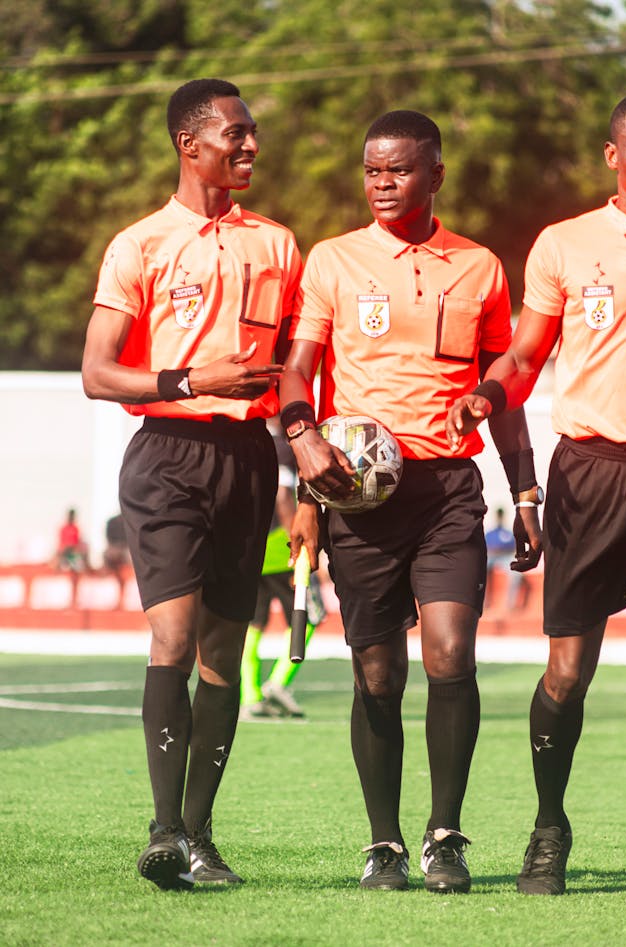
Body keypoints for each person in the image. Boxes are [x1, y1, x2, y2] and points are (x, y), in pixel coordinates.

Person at [447, 89, 626, 907]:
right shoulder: (563, 245)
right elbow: (526, 351)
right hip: (588, 475)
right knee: (569, 668)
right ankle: (549, 825)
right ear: (612, 155)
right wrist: (490, 391)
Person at [280, 110, 543, 893]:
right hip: (355, 496)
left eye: (398, 170)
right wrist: (302, 450)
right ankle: (384, 842)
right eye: (371, 171)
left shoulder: (481, 266)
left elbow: (508, 387)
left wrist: (525, 489)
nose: (382, 183)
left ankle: (445, 835)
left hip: (449, 490)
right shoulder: (333, 260)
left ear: (435, 173)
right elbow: (297, 372)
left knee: (451, 653)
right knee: (377, 675)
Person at [81, 78, 302, 891]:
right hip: (165, 452)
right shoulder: (138, 243)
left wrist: (304, 480)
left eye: (251, 135)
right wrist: (187, 379)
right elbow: (97, 372)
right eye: (235, 134)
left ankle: (202, 834)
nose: (249, 147)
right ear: (190, 142)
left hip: (248, 460)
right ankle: (163, 827)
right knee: (171, 637)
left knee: (222, 652)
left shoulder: (278, 245)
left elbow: (296, 372)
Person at [240, 419, 326, 720]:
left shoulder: (248, 444)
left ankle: (250, 696)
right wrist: (299, 539)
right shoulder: (284, 448)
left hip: (251, 547)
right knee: (312, 614)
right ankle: (278, 681)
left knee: (252, 624)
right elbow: (282, 495)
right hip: (281, 547)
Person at [484, 507, 525, 611]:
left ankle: (510, 604)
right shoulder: (490, 533)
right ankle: (483, 603)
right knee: (479, 570)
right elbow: (485, 548)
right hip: (491, 557)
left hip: (505, 557)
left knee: (516, 573)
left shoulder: (508, 533)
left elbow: (514, 549)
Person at [54, 508, 90, 572]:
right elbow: (62, 544)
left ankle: (86, 569)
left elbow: (78, 542)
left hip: (74, 552)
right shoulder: (63, 528)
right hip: (64, 552)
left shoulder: (76, 528)